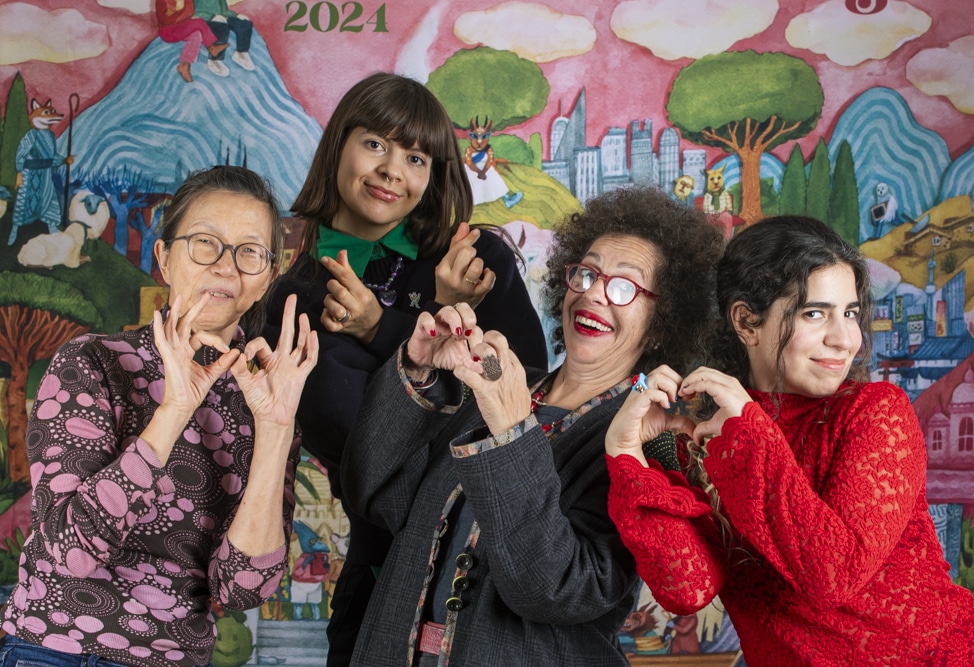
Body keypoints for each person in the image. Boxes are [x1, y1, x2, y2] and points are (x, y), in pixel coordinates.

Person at [340, 187, 724, 665]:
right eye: (586, 273)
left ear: (662, 322)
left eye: (624, 286)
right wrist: (419, 371)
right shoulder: (493, 384)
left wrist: (510, 430)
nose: (592, 293)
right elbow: (377, 497)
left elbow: (556, 588)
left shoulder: (647, 440)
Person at [604, 215, 974, 665]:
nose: (845, 339)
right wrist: (627, 453)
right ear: (746, 322)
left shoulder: (874, 412)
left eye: (850, 313)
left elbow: (833, 576)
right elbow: (687, 588)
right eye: (814, 313)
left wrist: (749, 429)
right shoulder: (704, 437)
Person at [263, 72, 547, 666]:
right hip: (382, 571)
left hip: (498, 575)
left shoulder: (475, 258)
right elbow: (366, 456)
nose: (393, 170)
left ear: (434, 173)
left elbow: (530, 398)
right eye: (375, 144)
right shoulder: (293, 298)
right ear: (338, 145)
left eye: (416, 157)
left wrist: (380, 328)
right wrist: (440, 326)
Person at [0, 166, 319, 667]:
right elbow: (70, 554)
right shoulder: (92, 363)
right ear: (165, 259)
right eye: (205, 243)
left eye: (249, 252)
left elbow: (241, 589)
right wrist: (174, 409)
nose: (226, 267)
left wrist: (277, 427)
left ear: (267, 278)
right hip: (56, 651)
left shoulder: (265, 401)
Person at [154, 0, 229, 83]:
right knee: (199, 22)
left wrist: (177, 16)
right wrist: (181, 16)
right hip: (167, 31)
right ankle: (211, 47)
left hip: (181, 28)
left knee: (197, 34)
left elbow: (190, 12)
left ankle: (184, 65)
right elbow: (164, 20)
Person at [193, 0, 256, 76]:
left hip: (220, 17)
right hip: (204, 19)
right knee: (221, 25)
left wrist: (236, 15)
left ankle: (241, 53)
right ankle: (214, 60)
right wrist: (212, 17)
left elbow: (224, 11)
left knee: (244, 23)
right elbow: (194, 13)